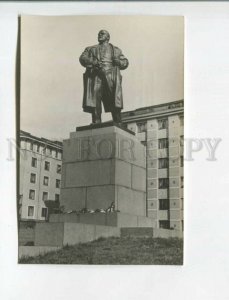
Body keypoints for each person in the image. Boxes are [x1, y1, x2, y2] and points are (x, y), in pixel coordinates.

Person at [79, 30, 129, 124]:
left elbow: (125, 62)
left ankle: (117, 121)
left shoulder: (116, 50)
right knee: (95, 99)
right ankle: (96, 121)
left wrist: (119, 62)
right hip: (96, 76)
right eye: (98, 34)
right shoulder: (90, 49)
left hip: (111, 75)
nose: (99, 35)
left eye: (102, 34)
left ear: (108, 37)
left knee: (113, 99)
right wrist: (93, 62)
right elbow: (82, 58)